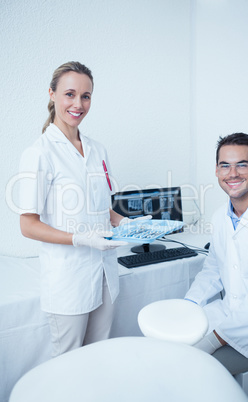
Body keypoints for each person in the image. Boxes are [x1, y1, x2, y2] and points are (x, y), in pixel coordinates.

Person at [18, 61, 149, 357]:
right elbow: (27, 224)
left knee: (98, 354)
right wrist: (79, 239)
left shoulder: (97, 150)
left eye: (86, 96)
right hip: (69, 277)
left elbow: (104, 209)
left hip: (104, 271)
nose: (78, 104)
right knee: (69, 361)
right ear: (52, 94)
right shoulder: (38, 153)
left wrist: (129, 223)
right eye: (70, 94)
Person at [185, 132, 248, 375]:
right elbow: (213, 270)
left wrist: (213, 341)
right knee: (169, 347)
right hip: (229, 312)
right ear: (217, 171)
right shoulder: (221, 215)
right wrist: (188, 307)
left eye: (242, 165)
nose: (233, 174)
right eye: (225, 166)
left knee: (197, 369)